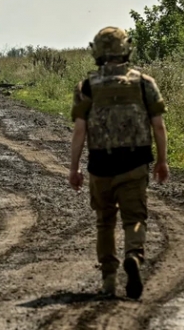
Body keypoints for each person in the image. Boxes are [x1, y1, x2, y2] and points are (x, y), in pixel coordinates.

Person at [67, 26, 169, 300]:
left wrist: (74, 168)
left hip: (100, 164)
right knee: (134, 218)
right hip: (135, 162)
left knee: (105, 222)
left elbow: (79, 130)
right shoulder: (143, 82)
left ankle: (109, 280)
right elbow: (158, 126)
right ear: (126, 48)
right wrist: (162, 161)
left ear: (97, 52)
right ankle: (134, 255)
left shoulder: (87, 86)